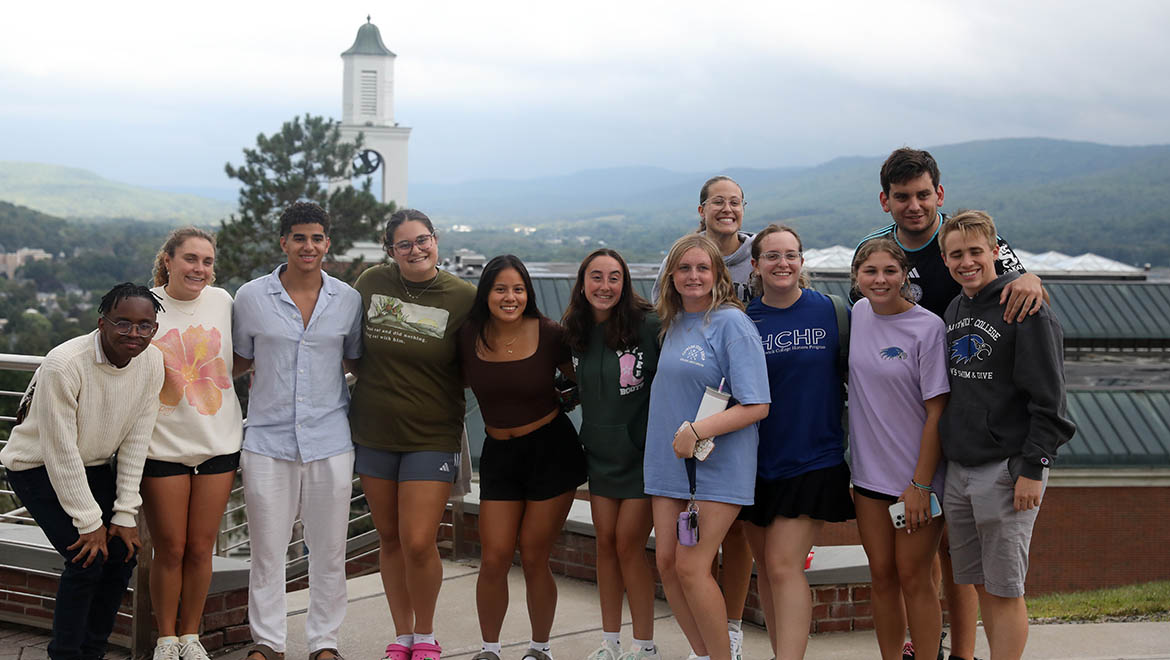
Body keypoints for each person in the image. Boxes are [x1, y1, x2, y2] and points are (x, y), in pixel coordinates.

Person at [854, 147, 1046, 660]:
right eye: (902, 197)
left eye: (922, 194)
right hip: (908, 419)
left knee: (956, 561)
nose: (913, 205)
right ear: (885, 202)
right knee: (935, 560)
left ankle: (959, 652)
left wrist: (1032, 277)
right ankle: (927, 645)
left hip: (965, 415)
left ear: (939, 194)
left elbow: (1018, 283)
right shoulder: (876, 253)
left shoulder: (973, 241)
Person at [937, 210, 1075, 660]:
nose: (967, 262)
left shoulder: (1026, 308)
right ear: (945, 259)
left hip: (1007, 469)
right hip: (961, 468)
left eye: (976, 252)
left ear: (997, 252)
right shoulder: (956, 308)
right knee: (981, 583)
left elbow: (1050, 402)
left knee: (1006, 588)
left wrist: (1034, 468)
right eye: (956, 254)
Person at [1, 283, 165, 660]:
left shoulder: (152, 361)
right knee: (86, 560)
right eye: (123, 324)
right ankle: (66, 654)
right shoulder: (65, 363)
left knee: (122, 553)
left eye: (145, 326)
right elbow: (59, 451)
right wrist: (89, 521)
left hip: (91, 466)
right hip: (37, 467)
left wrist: (124, 513)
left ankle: (93, 651)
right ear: (101, 322)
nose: (135, 334)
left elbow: (137, 438)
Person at [232, 201, 364, 660]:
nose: (308, 246)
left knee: (328, 550)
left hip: (330, 440)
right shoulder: (250, 297)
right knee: (268, 550)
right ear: (283, 242)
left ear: (327, 243)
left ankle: (324, 642)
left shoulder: (347, 299)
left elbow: (356, 362)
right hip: (267, 441)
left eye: (317, 238)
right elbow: (237, 362)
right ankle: (268, 642)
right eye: (299, 237)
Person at [348, 209, 476, 660]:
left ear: (435, 240)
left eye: (423, 240)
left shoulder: (462, 296)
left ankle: (426, 634)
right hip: (374, 430)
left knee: (420, 539)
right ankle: (401, 636)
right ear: (390, 251)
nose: (416, 250)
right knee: (390, 538)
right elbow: (352, 348)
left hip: (432, 433)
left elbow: (478, 361)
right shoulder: (371, 284)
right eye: (405, 244)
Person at [644, 234, 769, 660]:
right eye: (684, 268)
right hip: (668, 462)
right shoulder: (673, 321)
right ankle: (704, 653)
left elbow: (757, 404)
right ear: (671, 277)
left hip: (716, 462)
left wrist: (697, 431)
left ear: (717, 273)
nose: (693, 276)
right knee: (667, 564)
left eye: (702, 267)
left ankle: (721, 655)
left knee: (692, 567)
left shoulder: (732, 323)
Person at [461, 255, 587, 660]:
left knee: (534, 556)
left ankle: (539, 649)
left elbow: (585, 379)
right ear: (487, 294)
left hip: (551, 451)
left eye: (518, 289)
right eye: (500, 289)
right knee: (494, 556)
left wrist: (566, 400)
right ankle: (490, 650)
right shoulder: (468, 336)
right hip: (499, 455)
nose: (510, 297)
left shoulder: (551, 334)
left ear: (528, 293)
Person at [739, 225, 855, 660]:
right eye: (771, 256)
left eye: (791, 255)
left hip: (814, 458)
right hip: (755, 463)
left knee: (784, 564)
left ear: (802, 261)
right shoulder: (744, 319)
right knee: (768, 570)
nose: (782, 263)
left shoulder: (833, 311)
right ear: (755, 265)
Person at [142, 228, 245, 660]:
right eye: (189, 259)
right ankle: (165, 639)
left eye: (206, 261)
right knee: (171, 549)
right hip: (162, 445)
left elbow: (239, 358)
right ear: (168, 260)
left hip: (219, 444)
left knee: (202, 547)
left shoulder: (223, 301)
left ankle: (191, 636)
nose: (198, 268)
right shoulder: (145, 305)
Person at [848, 237, 950, 660]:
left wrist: (920, 485)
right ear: (856, 277)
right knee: (882, 577)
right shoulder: (857, 314)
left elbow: (937, 413)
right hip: (868, 478)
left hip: (916, 480)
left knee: (914, 577)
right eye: (870, 271)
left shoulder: (928, 328)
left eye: (890, 271)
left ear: (905, 275)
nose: (880, 279)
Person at [561, 249, 661, 660]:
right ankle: (610, 643)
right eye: (596, 277)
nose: (605, 286)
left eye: (614, 278)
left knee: (628, 545)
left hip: (640, 456)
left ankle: (645, 645)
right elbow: (572, 382)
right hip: (599, 454)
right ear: (583, 283)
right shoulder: (575, 331)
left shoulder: (650, 325)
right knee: (605, 544)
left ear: (625, 283)